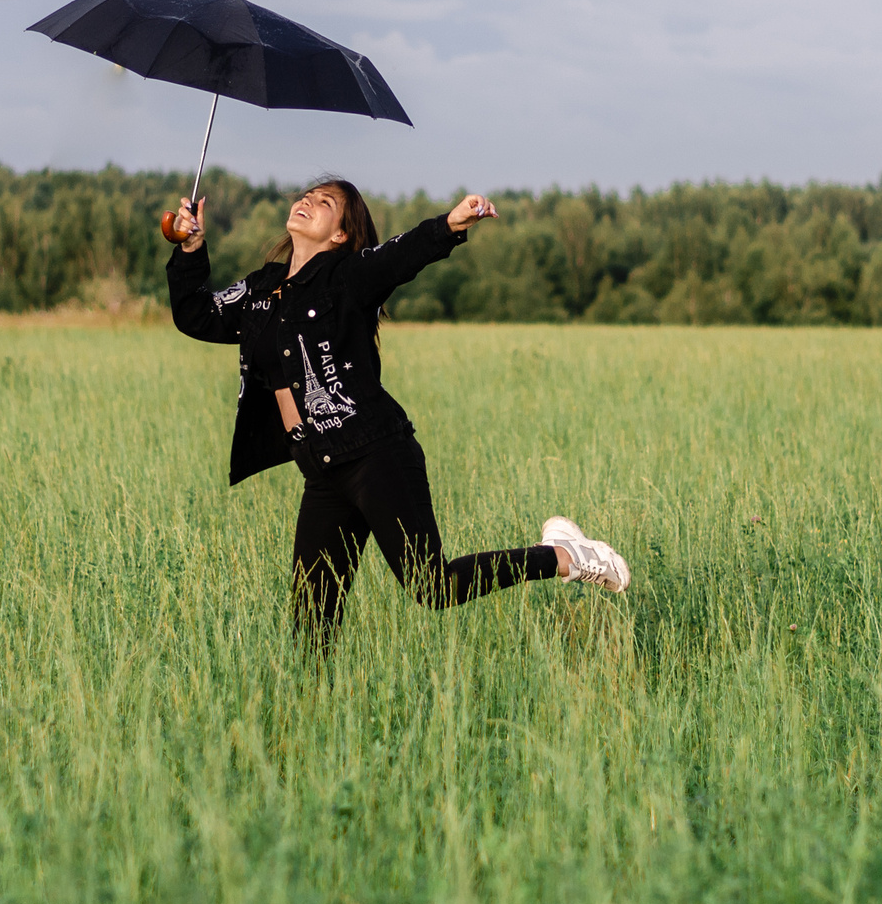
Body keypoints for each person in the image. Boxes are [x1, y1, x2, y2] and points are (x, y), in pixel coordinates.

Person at [166, 177, 630, 643]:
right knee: (311, 627)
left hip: (375, 454)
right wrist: (190, 250)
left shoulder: (346, 278)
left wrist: (449, 225)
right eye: (306, 196)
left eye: (324, 202)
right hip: (321, 469)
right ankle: (312, 713)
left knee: (434, 586)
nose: (307, 202)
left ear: (341, 234)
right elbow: (198, 316)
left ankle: (561, 556)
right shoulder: (264, 289)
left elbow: (397, 257)